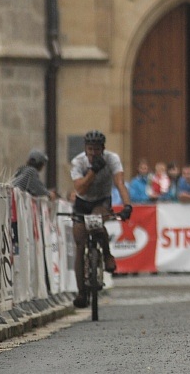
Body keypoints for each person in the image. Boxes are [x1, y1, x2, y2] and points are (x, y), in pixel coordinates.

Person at [70, 130, 132, 309]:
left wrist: (127, 205)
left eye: (97, 149)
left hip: (102, 200)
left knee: (97, 222)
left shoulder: (112, 159)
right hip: (82, 202)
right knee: (80, 243)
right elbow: (80, 189)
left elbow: (120, 183)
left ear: (103, 149)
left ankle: (106, 254)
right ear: (85, 149)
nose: (93, 153)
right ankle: (82, 293)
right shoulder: (78, 162)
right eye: (90, 149)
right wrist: (92, 171)